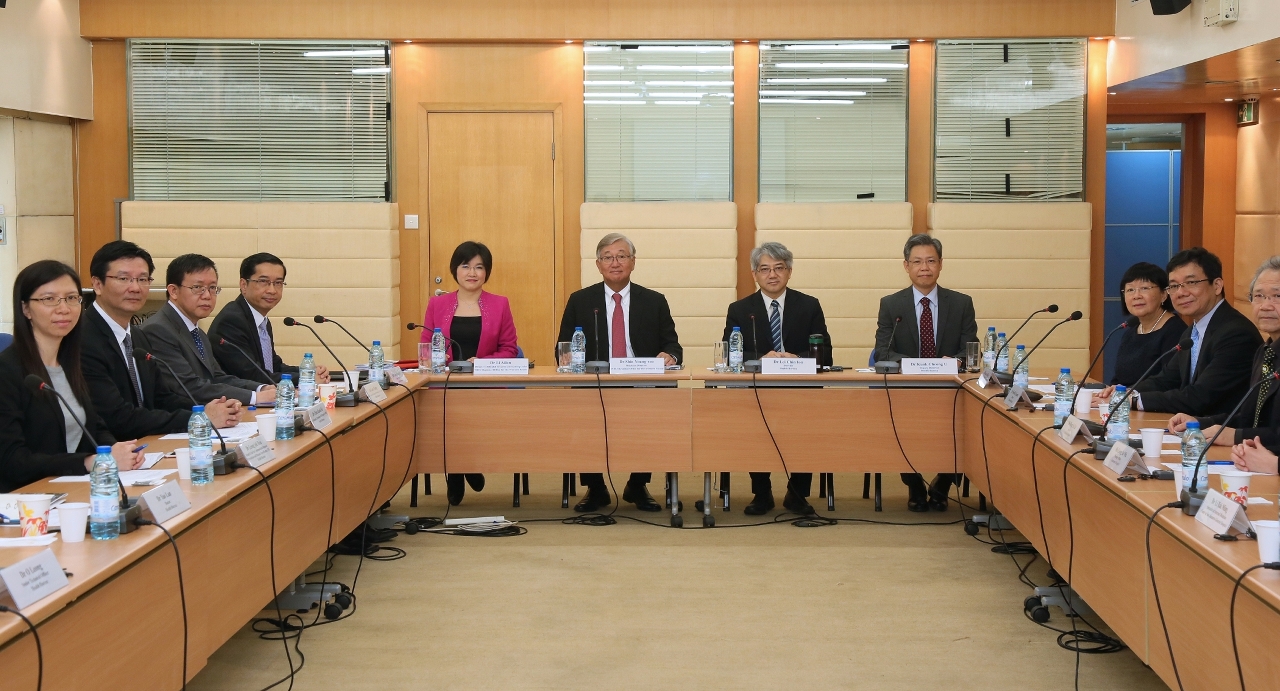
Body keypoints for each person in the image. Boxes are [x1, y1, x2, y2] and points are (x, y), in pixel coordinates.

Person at [557, 232, 682, 512]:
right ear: (598, 265)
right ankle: (596, 487)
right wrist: (565, 354)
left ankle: (637, 484)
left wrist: (669, 355)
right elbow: (562, 344)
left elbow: (673, 345)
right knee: (583, 410)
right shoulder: (580, 300)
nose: (615, 263)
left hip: (641, 381)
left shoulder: (654, 301)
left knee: (652, 412)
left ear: (633, 262)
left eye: (621, 256)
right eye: (607, 257)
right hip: (595, 381)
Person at [0, 260, 144, 493]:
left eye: (71, 298)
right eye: (49, 299)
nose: (63, 308)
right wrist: (88, 462)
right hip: (26, 500)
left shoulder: (69, 363)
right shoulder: (7, 371)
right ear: (25, 308)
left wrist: (115, 450)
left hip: (71, 489)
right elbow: (11, 460)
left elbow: (93, 425)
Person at [82, 241, 240, 440]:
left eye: (143, 279)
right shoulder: (83, 339)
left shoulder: (137, 336)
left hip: (146, 445)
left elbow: (161, 397)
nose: (135, 288)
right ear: (97, 284)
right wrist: (198, 419)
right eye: (124, 278)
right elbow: (117, 417)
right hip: (111, 453)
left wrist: (205, 410)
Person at [720, 241, 830, 515]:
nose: (772, 275)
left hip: (800, 389)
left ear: (789, 272)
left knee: (808, 426)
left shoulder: (809, 305)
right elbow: (730, 354)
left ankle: (797, 494)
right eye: (765, 269)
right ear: (755, 274)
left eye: (779, 268)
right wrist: (760, 360)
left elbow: (824, 352)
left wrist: (796, 357)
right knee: (754, 426)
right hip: (757, 389)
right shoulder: (740, 309)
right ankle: (762, 492)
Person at [874, 234, 977, 512]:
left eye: (931, 261)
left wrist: (953, 362)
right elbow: (882, 352)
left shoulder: (961, 303)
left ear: (941, 264)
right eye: (917, 261)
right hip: (908, 390)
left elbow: (971, 351)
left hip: (951, 390)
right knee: (898, 424)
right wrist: (915, 366)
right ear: (906, 266)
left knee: (968, 427)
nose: (924, 267)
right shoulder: (891, 304)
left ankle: (943, 483)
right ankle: (914, 484)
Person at [1093, 248, 1261, 416]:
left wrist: (1136, 401)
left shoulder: (1236, 333)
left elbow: (1201, 396)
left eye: (1191, 283)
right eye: (1174, 286)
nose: (1181, 292)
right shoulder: (1192, 332)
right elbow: (1167, 378)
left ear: (1217, 286)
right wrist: (1126, 393)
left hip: (1225, 436)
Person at [418, 241, 518, 505]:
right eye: (466, 266)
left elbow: (509, 349)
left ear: (487, 272)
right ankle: (460, 470)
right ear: (455, 270)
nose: (472, 273)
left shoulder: (500, 304)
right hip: (445, 384)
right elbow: (426, 348)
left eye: (479, 267)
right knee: (445, 412)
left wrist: (481, 362)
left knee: (466, 415)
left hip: (485, 385)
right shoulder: (437, 304)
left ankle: (464, 466)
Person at [1168, 257, 1280, 449]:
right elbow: (1250, 417)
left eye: (1277, 296)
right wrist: (1199, 422)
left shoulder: (1237, 333)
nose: (1265, 306)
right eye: (1258, 296)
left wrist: (1236, 436)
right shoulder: (1266, 351)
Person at [139, 254, 277, 406]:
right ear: (173, 291)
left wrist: (261, 388)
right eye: (197, 288)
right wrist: (255, 398)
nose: (207, 296)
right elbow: (189, 386)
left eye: (212, 288)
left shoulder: (197, 332)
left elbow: (217, 377)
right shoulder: (158, 330)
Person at [209, 253, 330, 387]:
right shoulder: (231, 321)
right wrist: (306, 378)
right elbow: (253, 375)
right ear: (243, 285)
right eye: (263, 281)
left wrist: (308, 371)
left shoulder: (260, 321)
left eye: (278, 283)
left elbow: (274, 366)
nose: (272, 290)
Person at [1109, 262, 1186, 387]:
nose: (1136, 296)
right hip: (1126, 403)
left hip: (1154, 404)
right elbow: (1118, 379)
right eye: (1130, 290)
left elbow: (1169, 383)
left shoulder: (1176, 332)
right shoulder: (1130, 333)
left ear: (1164, 294)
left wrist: (1129, 395)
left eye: (1144, 288)